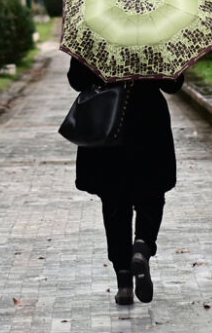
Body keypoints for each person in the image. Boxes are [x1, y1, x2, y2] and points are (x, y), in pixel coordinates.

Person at [67, 57, 184, 305]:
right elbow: (174, 84)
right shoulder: (155, 33)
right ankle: (142, 246)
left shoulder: (95, 29)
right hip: (149, 123)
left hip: (108, 123)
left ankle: (123, 282)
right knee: (151, 194)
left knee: (114, 203)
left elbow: (76, 80)